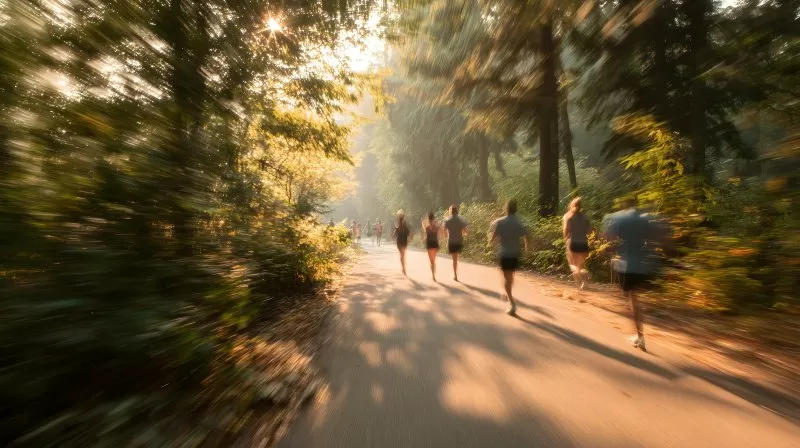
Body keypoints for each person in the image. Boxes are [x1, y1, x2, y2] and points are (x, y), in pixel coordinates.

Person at [603, 198, 667, 352]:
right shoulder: (646, 218)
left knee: (632, 298)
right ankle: (639, 334)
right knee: (635, 297)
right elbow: (660, 238)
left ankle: (640, 336)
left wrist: (611, 251)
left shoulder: (619, 217)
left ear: (625, 205)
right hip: (646, 265)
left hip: (627, 265)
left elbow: (607, 237)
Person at [489, 199, 531, 316]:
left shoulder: (500, 222)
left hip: (504, 253)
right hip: (515, 254)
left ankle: (512, 303)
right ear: (515, 209)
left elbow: (493, 238)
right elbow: (527, 235)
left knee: (506, 278)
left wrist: (491, 243)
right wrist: (527, 248)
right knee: (510, 276)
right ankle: (506, 291)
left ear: (505, 209)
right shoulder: (519, 222)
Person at [563, 197, 592, 290]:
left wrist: (565, 239)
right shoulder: (585, 217)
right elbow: (589, 231)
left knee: (573, 265)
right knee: (581, 264)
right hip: (583, 242)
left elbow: (566, 231)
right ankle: (583, 281)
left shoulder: (568, 217)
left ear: (572, 205)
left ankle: (581, 281)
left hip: (573, 242)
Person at [443, 205, 469, 282]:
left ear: (450, 211)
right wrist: (464, 233)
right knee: (456, 258)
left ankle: (455, 274)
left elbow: (444, 231)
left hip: (451, 241)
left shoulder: (447, 220)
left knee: (454, 259)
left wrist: (446, 237)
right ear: (457, 211)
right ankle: (455, 272)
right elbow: (466, 231)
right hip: (459, 241)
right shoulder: (461, 220)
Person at [422, 212, 442, 281]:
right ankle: (433, 275)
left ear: (428, 219)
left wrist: (426, 218)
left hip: (429, 244)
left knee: (431, 261)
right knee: (434, 260)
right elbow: (439, 236)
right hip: (435, 244)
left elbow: (423, 222)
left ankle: (433, 275)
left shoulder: (426, 227)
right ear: (433, 218)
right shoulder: (437, 227)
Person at [392, 210, 412, 275]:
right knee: (403, 255)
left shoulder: (397, 225)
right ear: (403, 217)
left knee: (401, 255)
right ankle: (403, 268)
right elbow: (410, 233)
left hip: (399, 242)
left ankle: (403, 268)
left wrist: (394, 236)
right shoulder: (405, 225)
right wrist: (410, 239)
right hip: (404, 241)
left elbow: (394, 235)